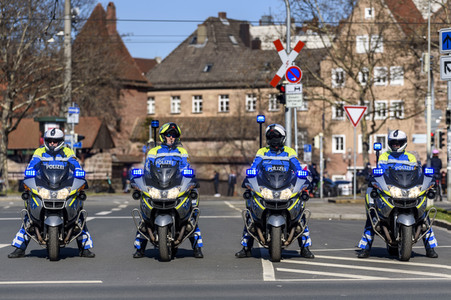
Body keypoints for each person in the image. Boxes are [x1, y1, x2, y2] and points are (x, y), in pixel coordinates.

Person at [8, 128, 95, 258]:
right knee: (30, 217)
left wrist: (80, 175)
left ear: (61, 141)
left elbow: (76, 166)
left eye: (56, 141)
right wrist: (28, 175)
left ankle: (84, 248)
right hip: (44, 186)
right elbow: (31, 166)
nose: (52, 143)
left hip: (63, 186)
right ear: (45, 141)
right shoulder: (39, 151)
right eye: (49, 140)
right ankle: (19, 247)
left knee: (78, 216)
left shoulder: (67, 151)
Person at [235, 124, 315, 259]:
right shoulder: (262, 151)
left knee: (300, 216)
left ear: (283, 137)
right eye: (271, 137)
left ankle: (305, 248)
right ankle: (246, 247)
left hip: (285, 186)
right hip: (267, 186)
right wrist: (250, 175)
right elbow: (255, 165)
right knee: (251, 215)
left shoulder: (289, 152)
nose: (274, 139)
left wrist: (302, 174)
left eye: (277, 136)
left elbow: (296, 165)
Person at [357, 130, 438, 258]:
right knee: (373, 214)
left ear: (404, 143)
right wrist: (374, 177)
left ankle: (430, 248)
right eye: (393, 143)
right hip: (391, 190)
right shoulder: (384, 156)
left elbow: (417, 174)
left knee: (423, 216)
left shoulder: (411, 157)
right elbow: (380, 174)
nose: (395, 145)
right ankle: (365, 247)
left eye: (398, 142)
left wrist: (426, 180)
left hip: (407, 189)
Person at [133, 122, 203, 259]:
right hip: (159, 186)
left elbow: (186, 168)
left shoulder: (182, 151)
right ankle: (139, 248)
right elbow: (148, 170)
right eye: (168, 135)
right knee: (145, 218)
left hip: (175, 186)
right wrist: (138, 180)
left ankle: (197, 248)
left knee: (190, 216)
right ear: (163, 136)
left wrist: (190, 179)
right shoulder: (153, 151)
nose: (171, 137)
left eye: (174, 135)